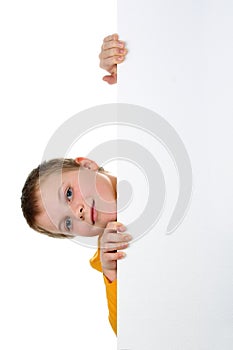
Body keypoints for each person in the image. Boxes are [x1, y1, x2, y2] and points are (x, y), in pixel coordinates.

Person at [21, 34, 129, 336]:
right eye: (67, 223)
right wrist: (113, 274)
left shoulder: (147, 165)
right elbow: (127, 331)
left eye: (68, 193)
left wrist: (131, 72)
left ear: (87, 165)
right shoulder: (114, 259)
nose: (78, 211)